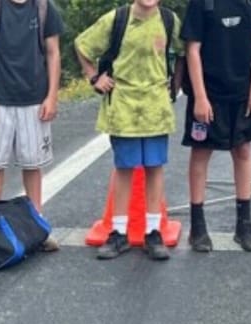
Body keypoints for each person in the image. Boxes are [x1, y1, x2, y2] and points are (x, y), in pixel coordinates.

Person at [76, 0, 183, 261]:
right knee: (124, 168)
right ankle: (119, 232)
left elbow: (184, 50)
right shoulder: (116, 19)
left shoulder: (169, 20)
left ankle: (153, 231)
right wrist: (94, 77)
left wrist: (176, 85)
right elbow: (82, 44)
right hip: (123, 105)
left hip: (155, 106)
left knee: (154, 166)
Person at [0, 0, 64, 253]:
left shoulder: (44, 8)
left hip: (34, 99)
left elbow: (53, 52)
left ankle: (37, 228)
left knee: (33, 166)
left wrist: (52, 95)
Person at [180, 0, 251, 253]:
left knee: (243, 152)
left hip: (243, 91)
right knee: (201, 152)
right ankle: (198, 226)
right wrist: (199, 96)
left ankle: (244, 225)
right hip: (209, 93)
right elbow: (192, 49)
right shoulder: (202, 3)